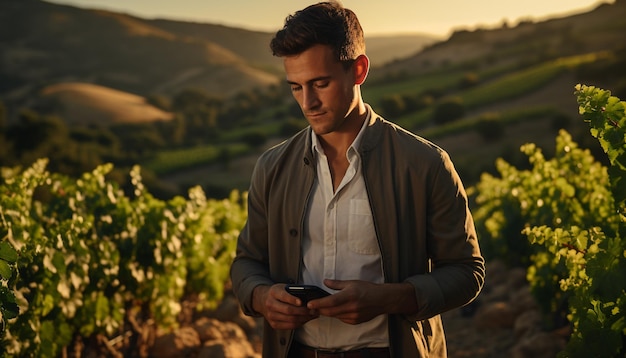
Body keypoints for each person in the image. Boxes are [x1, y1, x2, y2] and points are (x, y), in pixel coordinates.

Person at [230, 2, 485, 357]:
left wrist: (391, 299)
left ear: (359, 69)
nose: (308, 103)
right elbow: (246, 262)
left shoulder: (426, 164)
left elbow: (466, 271)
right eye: (296, 88)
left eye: (320, 83)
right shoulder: (271, 167)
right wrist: (260, 296)